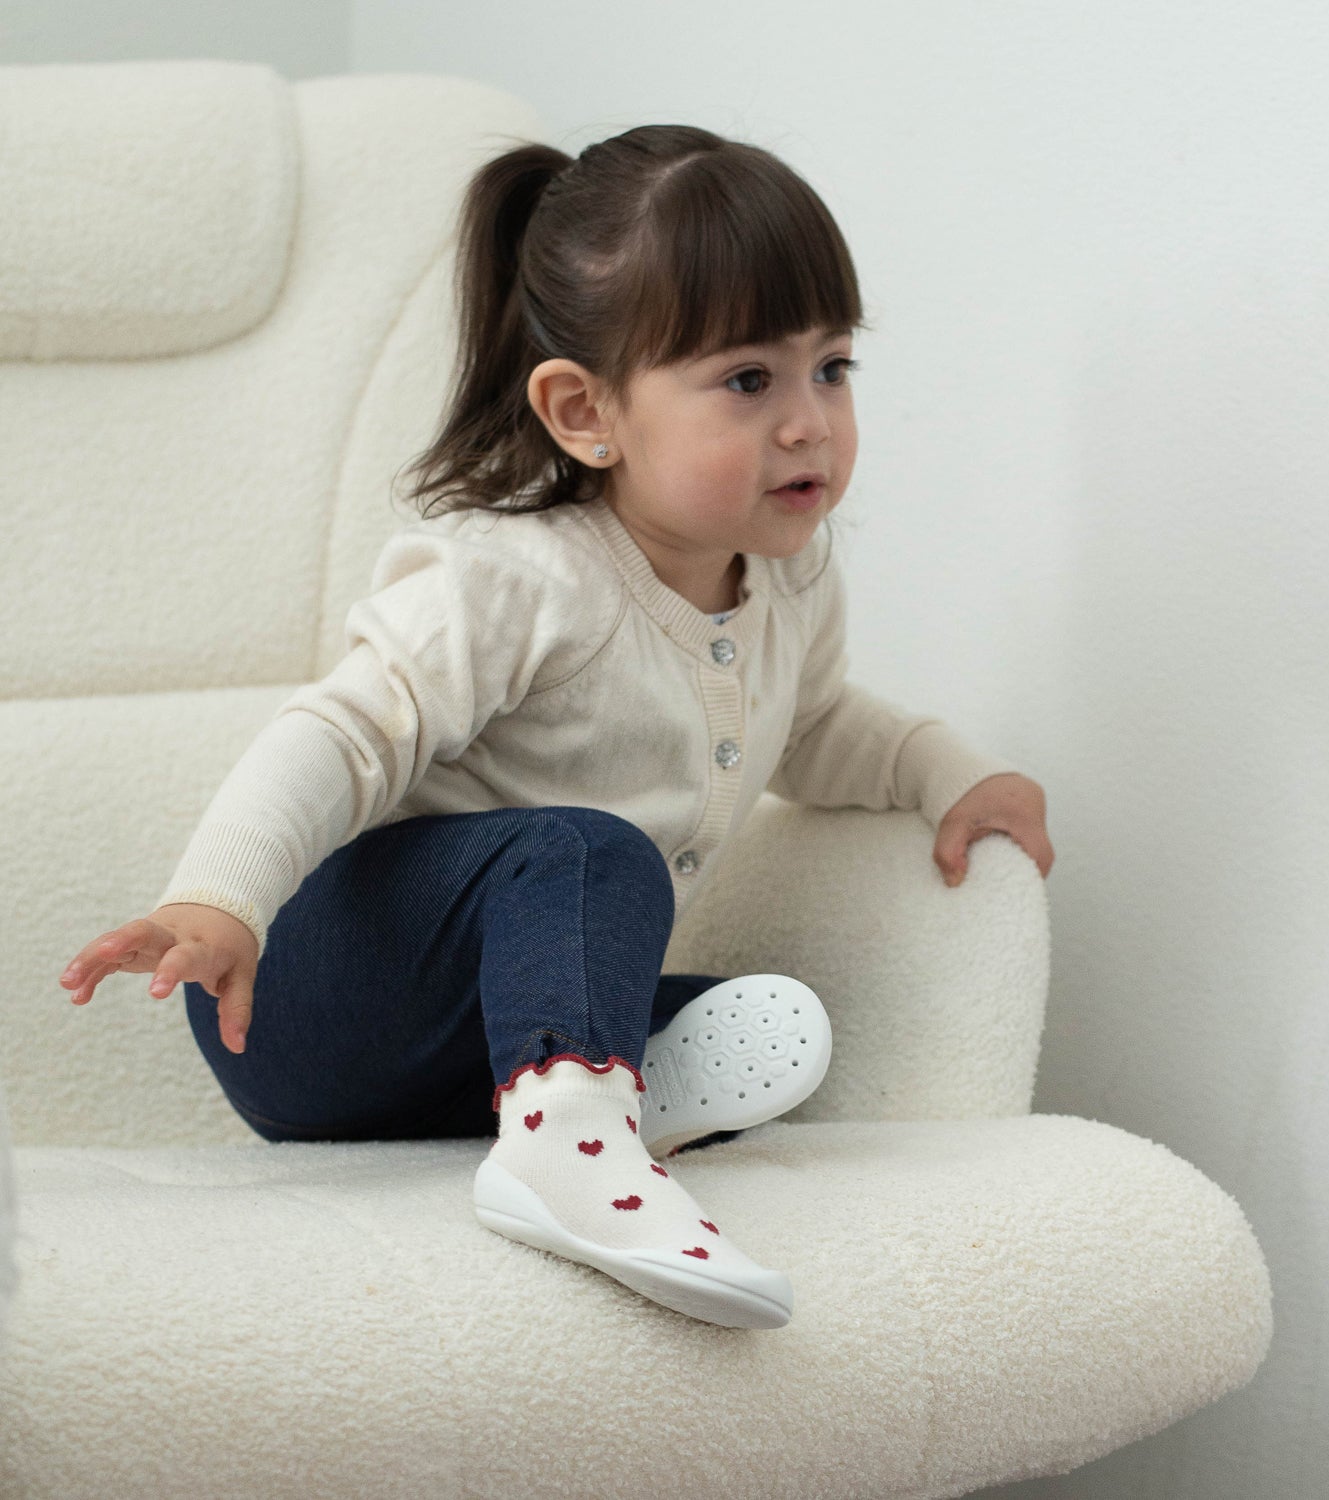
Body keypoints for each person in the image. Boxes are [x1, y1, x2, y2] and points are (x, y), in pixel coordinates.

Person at [56, 124, 1054, 1330]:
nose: (810, 424)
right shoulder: (519, 580)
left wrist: (954, 776)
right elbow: (342, 732)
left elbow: (818, 725)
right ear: (586, 412)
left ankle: (575, 1101)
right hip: (315, 1005)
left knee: (760, 1013)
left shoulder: (787, 579)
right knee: (585, 854)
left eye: (831, 368)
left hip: (457, 1052)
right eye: (750, 380)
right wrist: (216, 901)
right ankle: (572, 1154)